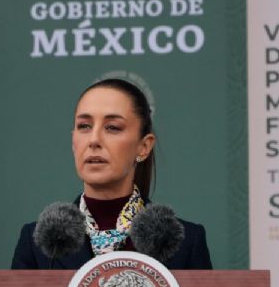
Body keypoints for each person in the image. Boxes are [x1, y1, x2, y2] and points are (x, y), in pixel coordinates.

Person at [11, 78, 212, 270]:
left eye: (112, 127)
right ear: (73, 140)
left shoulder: (185, 242)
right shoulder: (36, 241)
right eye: (84, 126)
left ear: (144, 146)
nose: (94, 140)